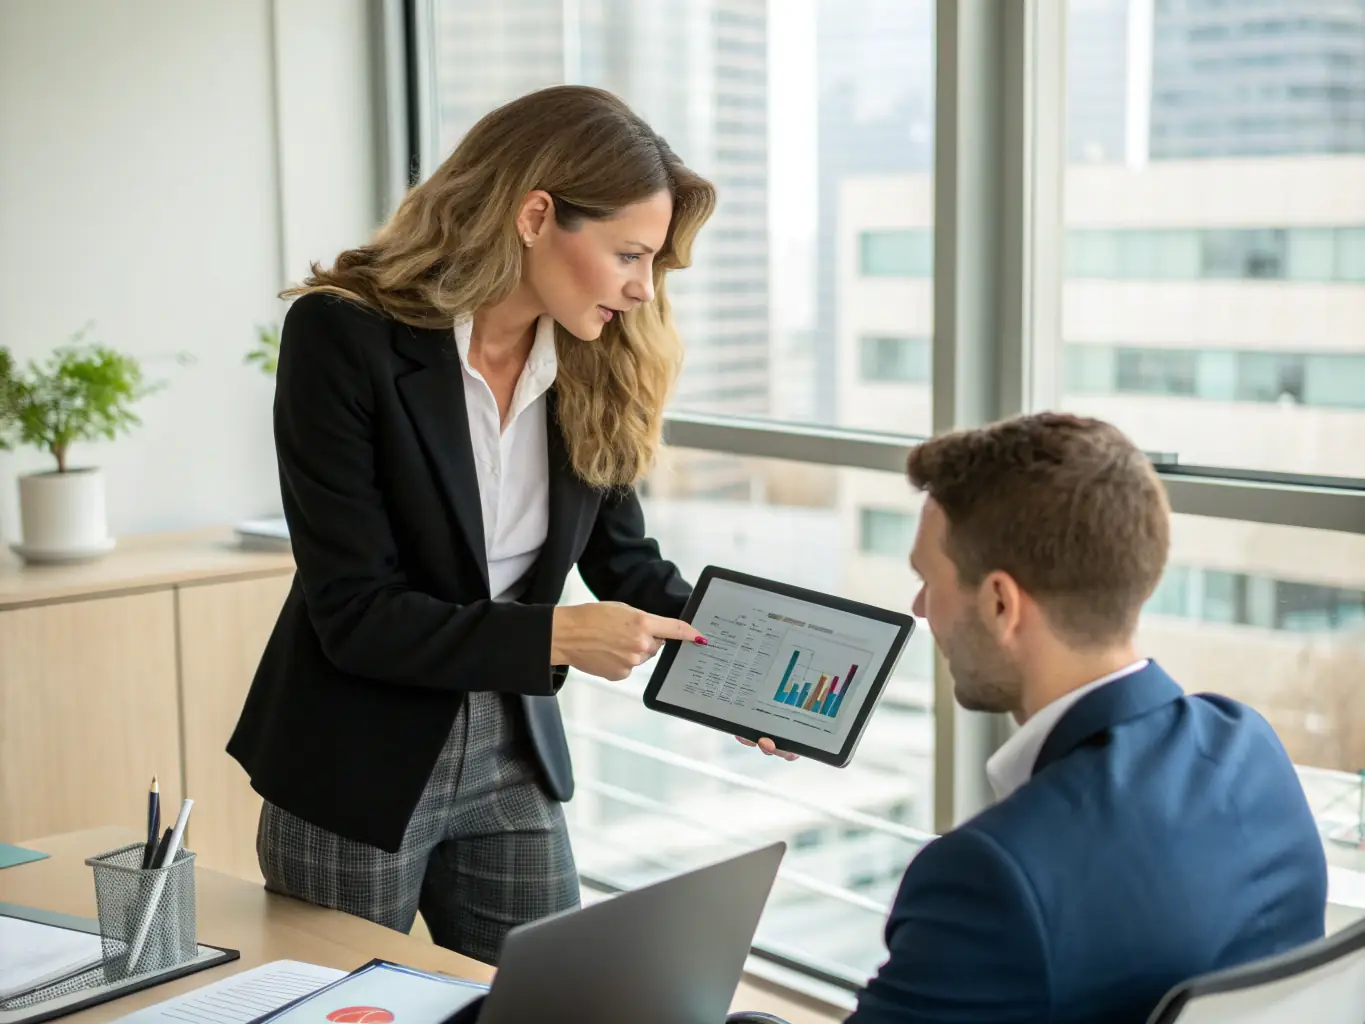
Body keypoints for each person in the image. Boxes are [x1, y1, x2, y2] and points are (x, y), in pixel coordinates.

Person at [227, 85, 726, 965]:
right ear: (537, 215)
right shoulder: (342, 337)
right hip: (355, 756)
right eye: (629, 254)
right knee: (347, 1005)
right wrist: (560, 635)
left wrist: (737, 669)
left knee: (559, 1003)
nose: (643, 290)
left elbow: (627, 563)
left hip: (510, 750)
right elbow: (355, 613)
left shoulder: (590, 365)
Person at [846, 412, 1328, 1024]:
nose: (920, 608)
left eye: (927, 580)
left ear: (1000, 603)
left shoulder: (994, 877)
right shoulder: (1249, 749)